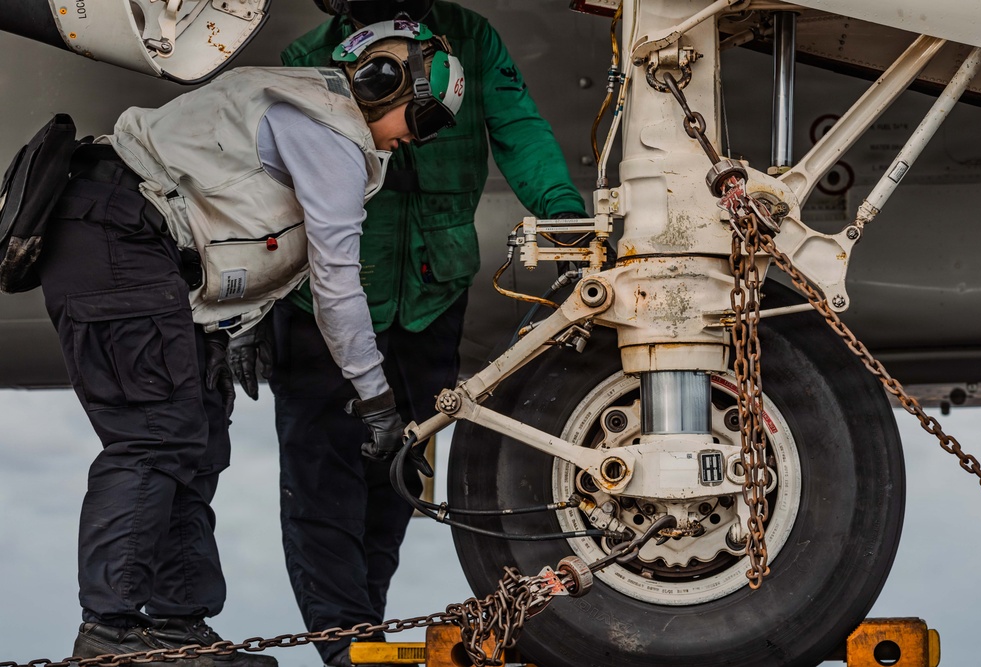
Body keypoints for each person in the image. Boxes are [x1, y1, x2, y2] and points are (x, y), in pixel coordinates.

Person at [34, 23, 465, 665]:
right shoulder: (331, 132)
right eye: (422, 116)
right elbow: (335, 280)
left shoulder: (309, 113)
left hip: (146, 252)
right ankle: (110, 626)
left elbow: (235, 222)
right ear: (383, 82)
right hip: (118, 238)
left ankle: (176, 629)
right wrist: (376, 399)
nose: (415, 137)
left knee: (198, 438)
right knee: (156, 436)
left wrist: (236, 323)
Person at [243, 2, 589, 665]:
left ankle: (359, 628)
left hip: (431, 298)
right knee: (322, 477)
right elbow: (269, 194)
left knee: (402, 473)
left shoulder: (472, 40)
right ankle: (342, 641)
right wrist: (255, 303)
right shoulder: (307, 59)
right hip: (325, 304)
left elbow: (518, 128)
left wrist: (565, 219)